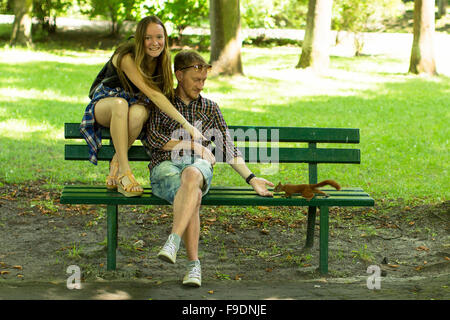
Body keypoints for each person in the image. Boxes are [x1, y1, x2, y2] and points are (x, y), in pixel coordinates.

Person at [142, 50, 274, 287]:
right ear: (179, 75)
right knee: (191, 194)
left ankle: (173, 240)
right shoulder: (162, 102)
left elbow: (227, 147)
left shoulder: (210, 108)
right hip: (165, 166)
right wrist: (191, 144)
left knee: (192, 176)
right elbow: (152, 138)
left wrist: (251, 178)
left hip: (197, 167)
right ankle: (194, 266)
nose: (201, 86)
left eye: (204, 81)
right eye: (196, 80)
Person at [80, 16, 204, 198]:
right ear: (140, 39)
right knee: (120, 104)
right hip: (105, 104)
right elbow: (152, 93)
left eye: (159, 37)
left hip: (132, 108)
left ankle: (116, 163)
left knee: (139, 113)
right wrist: (187, 125)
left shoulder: (160, 61)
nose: (155, 43)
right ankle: (125, 171)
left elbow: (161, 96)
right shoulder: (125, 56)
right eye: (148, 38)